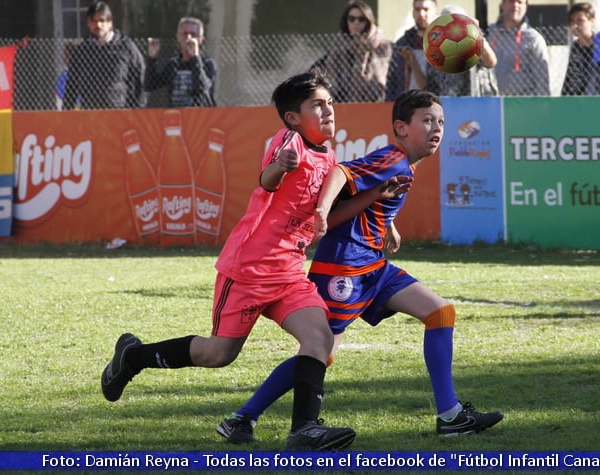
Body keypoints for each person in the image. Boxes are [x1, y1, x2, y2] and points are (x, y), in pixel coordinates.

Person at [216, 89, 504, 444]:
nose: (437, 128)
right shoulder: (393, 159)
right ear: (401, 127)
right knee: (320, 352)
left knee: (440, 313)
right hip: (344, 271)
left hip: (373, 267)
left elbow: (367, 194)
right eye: (427, 120)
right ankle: (242, 416)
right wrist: (320, 212)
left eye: (441, 121)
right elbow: (340, 172)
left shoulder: (403, 164)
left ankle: (450, 416)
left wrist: (387, 225)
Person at [100, 71, 358, 451]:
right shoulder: (290, 142)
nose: (328, 110)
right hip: (250, 269)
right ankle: (133, 357)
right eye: (317, 105)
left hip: (289, 271)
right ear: (292, 117)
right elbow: (267, 179)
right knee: (218, 354)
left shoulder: (329, 156)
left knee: (320, 338)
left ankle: (304, 428)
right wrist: (281, 165)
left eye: (330, 102)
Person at [63, 1, 147, 109]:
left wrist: (136, 111)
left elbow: (142, 79)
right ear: (88, 23)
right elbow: (71, 86)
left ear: (110, 23)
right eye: (94, 21)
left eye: (102, 20)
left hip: (119, 114)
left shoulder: (126, 47)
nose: (98, 25)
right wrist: (66, 115)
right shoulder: (81, 51)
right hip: (90, 116)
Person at [420, 5, 498, 97]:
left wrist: (478, 35)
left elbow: (491, 62)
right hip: (446, 100)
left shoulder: (471, 44)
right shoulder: (437, 47)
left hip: (472, 99)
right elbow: (428, 83)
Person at [323, 0, 392, 103]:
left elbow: (381, 80)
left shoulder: (380, 43)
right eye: (352, 19)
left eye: (361, 19)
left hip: (374, 101)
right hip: (342, 100)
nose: (356, 23)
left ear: (368, 21)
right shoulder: (339, 44)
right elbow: (331, 77)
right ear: (346, 21)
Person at [144, 16, 218, 107]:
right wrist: (152, 58)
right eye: (185, 34)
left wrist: (195, 57)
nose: (188, 38)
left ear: (201, 39)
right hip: (176, 117)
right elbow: (149, 85)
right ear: (178, 37)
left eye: (193, 34)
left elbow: (201, 87)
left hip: (200, 117)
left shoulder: (208, 64)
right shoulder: (173, 64)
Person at [484, 0, 550, 96]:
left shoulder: (533, 39)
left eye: (519, 2)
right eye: (511, 1)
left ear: (526, 6)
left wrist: (543, 105)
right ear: (502, 4)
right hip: (491, 103)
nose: (515, 5)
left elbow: (542, 79)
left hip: (523, 105)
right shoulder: (488, 33)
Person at [384, 0, 438, 101]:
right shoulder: (402, 43)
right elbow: (392, 81)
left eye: (426, 9)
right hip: (407, 104)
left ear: (435, 12)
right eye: (417, 9)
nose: (421, 14)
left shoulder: (443, 44)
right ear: (413, 13)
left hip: (435, 103)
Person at [561, 2, 600, 96]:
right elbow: (570, 77)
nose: (575, 26)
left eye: (580, 20)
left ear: (592, 20)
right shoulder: (575, 48)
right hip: (575, 102)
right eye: (572, 21)